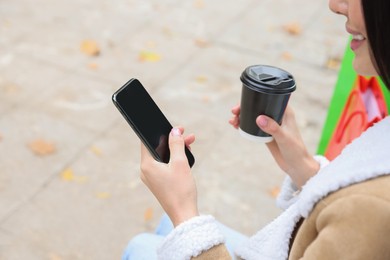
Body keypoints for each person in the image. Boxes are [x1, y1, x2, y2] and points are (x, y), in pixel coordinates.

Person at [123, 0, 390, 259]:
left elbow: (361, 209)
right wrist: (306, 170)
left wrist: (183, 212)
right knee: (162, 227)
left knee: (142, 245)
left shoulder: (373, 215)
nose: (335, 4)